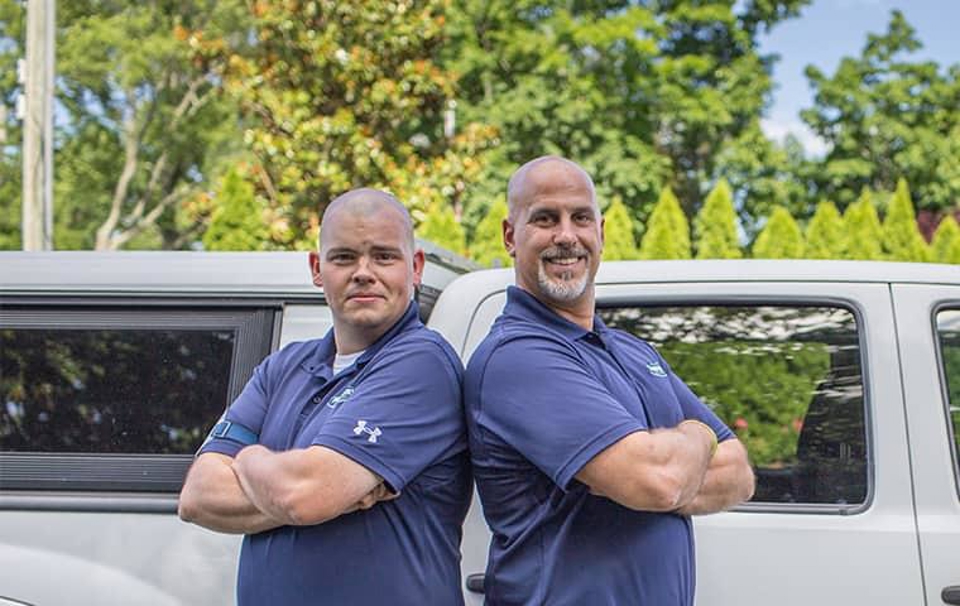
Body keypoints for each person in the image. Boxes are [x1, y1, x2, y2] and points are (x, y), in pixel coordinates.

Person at [464, 156, 755, 605]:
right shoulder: (517, 357)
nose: (566, 235)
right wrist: (697, 436)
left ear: (600, 232)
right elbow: (657, 480)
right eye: (545, 218)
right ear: (510, 236)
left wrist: (660, 477)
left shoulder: (634, 352)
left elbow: (739, 473)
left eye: (580, 218)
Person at [179, 189, 471, 605]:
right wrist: (324, 495)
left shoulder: (422, 364)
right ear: (318, 268)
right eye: (344, 257)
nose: (364, 272)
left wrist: (247, 458)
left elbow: (305, 496)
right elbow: (197, 496)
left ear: (416, 267)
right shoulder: (283, 367)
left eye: (384, 256)